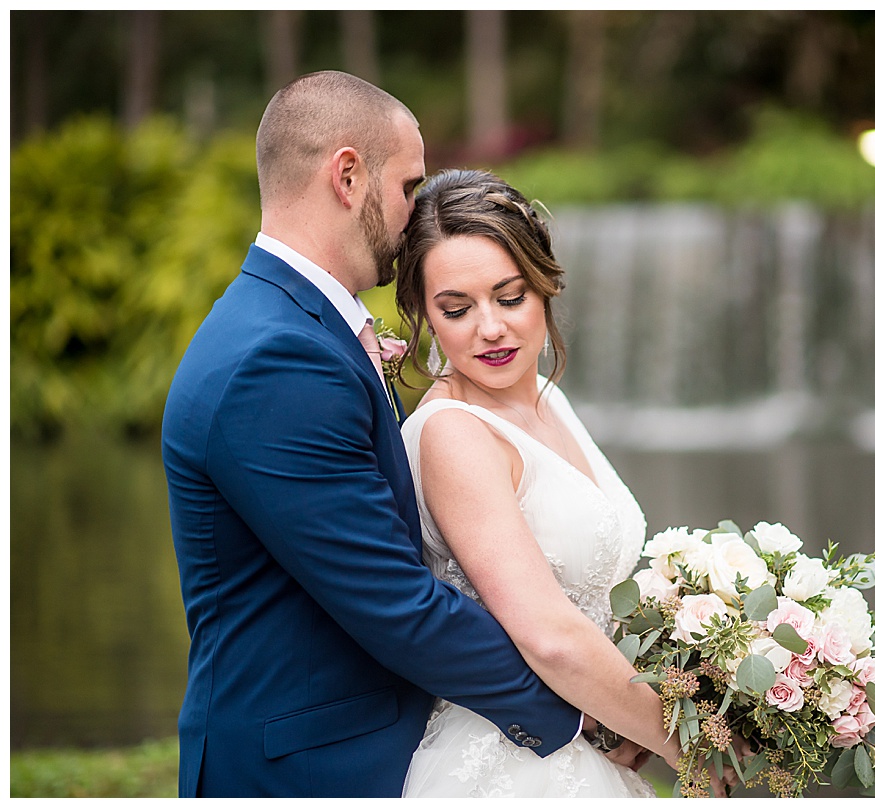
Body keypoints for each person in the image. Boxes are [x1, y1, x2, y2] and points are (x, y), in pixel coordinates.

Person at [160, 71, 583, 797]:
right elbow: (400, 606)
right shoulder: (277, 359)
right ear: (348, 176)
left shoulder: (296, 325)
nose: (419, 213)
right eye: (410, 185)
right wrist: (585, 713)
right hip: (307, 769)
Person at [392, 169, 734, 797]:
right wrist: (695, 745)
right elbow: (549, 636)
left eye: (510, 296)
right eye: (457, 308)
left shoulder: (551, 402)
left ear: (544, 285)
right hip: (519, 762)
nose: (490, 328)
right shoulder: (455, 434)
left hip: (599, 742)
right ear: (424, 315)